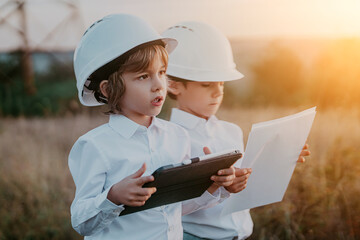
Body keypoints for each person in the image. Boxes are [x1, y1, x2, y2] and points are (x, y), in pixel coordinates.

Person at [68, 14, 236, 240]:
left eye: (162, 72)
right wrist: (113, 196)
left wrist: (212, 185)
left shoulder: (177, 136)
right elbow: (81, 222)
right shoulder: (94, 146)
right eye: (143, 76)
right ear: (108, 90)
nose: (158, 85)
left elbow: (175, 208)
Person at [162, 21, 311, 240]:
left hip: (242, 235)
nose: (217, 92)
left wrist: (278, 161)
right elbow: (169, 207)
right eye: (207, 85)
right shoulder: (168, 138)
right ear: (174, 85)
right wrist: (217, 187)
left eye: (221, 84)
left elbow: (245, 185)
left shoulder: (230, 131)